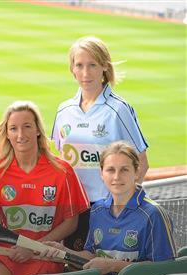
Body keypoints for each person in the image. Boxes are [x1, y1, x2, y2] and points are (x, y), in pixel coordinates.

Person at [0, 101, 89, 275]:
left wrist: (33, 247)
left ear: (38, 130)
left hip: (45, 252)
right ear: (7, 133)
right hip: (7, 252)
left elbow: (71, 223)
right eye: (14, 128)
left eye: (27, 126)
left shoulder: (62, 171)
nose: (20, 135)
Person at [51, 36, 149, 251]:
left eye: (92, 65)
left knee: (104, 267)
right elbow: (59, 162)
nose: (85, 73)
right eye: (79, 65)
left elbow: (141, 162)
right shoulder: (63, 110)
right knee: (72, 266)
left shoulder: (119, 109)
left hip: (107, 207)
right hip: (72, 209)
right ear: (72, 69)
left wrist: (121, 208)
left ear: (104, 66)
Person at [42, 142, 175, 275]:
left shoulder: (153, 214)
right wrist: (62, 252)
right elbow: (93, 256)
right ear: (101, 174)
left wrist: (113, 266)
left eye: (124, 170)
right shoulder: (97, 210)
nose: (117, 176)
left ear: (136, 172)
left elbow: (163, 268)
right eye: (111, 170)